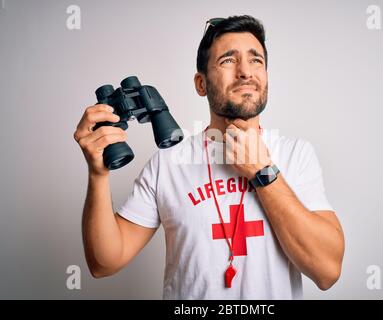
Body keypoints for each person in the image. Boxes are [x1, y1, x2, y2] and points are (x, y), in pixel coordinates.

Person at [73, 15, 344, 299]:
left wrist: (263, 171)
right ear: (201, 84)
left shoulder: (296, 155)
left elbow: (326, 271)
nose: (245, 72)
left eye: (256, 61)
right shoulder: (167, 163)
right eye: (228, 60)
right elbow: (104, 263)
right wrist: (98, 173)